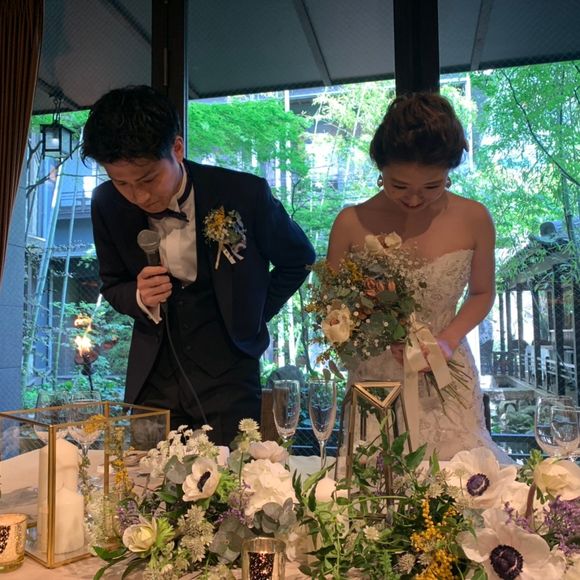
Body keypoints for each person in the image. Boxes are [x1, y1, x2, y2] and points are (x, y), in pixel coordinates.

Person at [81, 85, 315, 446]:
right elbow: (112, 283)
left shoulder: (243, 194)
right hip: (153, 380)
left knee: (234, 477)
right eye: (120, 182)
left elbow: (298, 259)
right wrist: (139, 296)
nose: (138, 195)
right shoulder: (106, 203)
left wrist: (250, 315)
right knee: (147, 477)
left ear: (177, 148)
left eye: (148, 179)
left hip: (229, 376)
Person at [327, 92, 509, 461]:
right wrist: (372, 332)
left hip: (446, 371)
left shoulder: (474, 218)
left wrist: (447, 341)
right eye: (399, 186)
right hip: (377, 378)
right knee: (375, 479)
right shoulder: (350, 223)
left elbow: (482, 293)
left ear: (448, 173)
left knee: (461, 479)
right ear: (380, 168)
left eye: (431, 186)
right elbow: (332, 307)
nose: (413, 199)